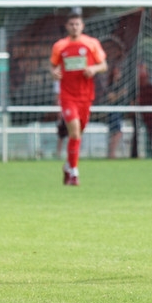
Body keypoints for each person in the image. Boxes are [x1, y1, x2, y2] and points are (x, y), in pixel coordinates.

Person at [50, 12, 108, 185]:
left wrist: (94, 69)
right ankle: (74, 173)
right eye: (71, 24)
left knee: (78, 133)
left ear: (82, 26)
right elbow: (53, 67)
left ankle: (68, 165)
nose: (74, 27)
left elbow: (103, 65)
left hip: (86, 96)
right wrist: (54, 73)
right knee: (74, 132)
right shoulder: (60, 46)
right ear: (67, 27)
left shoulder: (91, 43)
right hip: (67, 95)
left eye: (77, 24)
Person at [131, 65, 152, 159]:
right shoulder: (136, 88)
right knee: (136, 134)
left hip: (149, 114)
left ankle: (149, 153)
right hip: (138, 113)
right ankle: (134, 154)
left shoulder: (151, 88)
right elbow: (132, 101)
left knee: (150, 133)